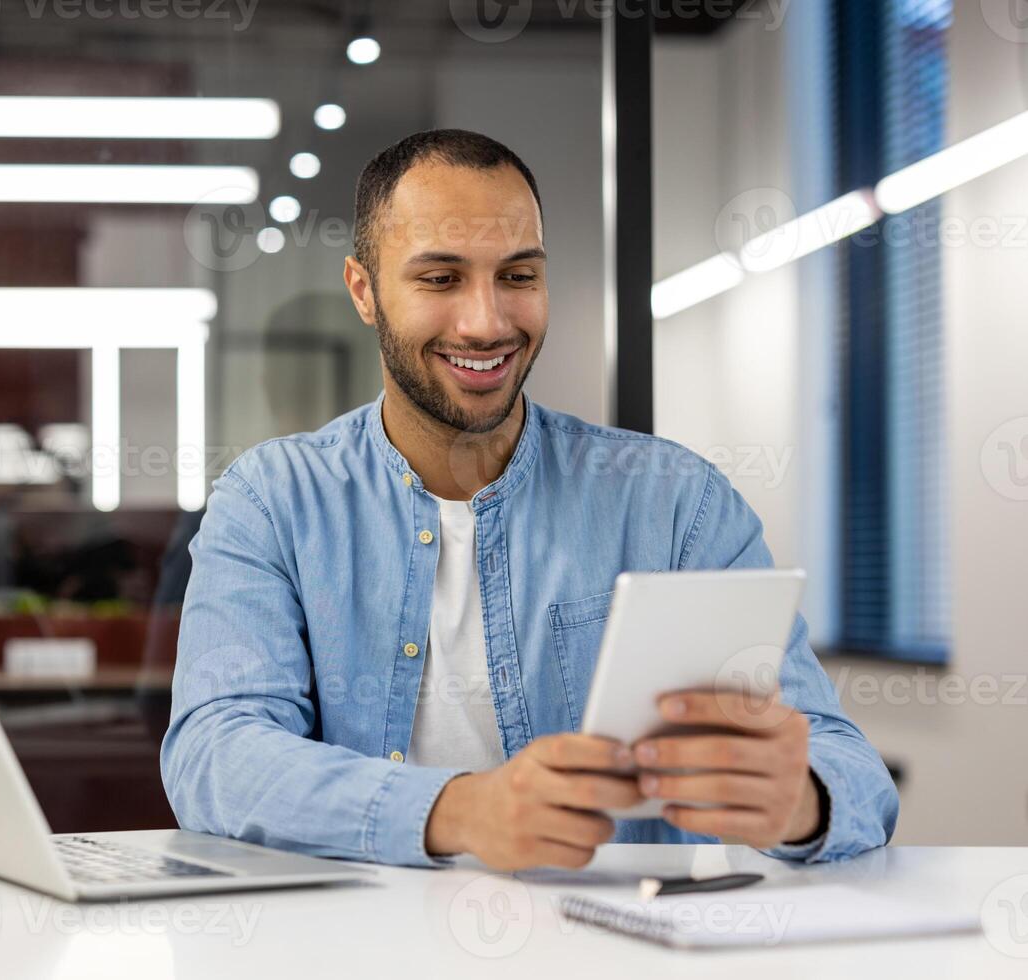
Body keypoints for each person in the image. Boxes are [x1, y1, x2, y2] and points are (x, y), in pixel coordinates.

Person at [160, 129, 898, 870]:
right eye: (440, 279)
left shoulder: (674, 503)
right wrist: (457, 810)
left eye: (517, 276)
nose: (485, 322)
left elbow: (850, 768)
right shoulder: (271, 502)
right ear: (364, 290)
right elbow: (214, 753)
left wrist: (801, 802)